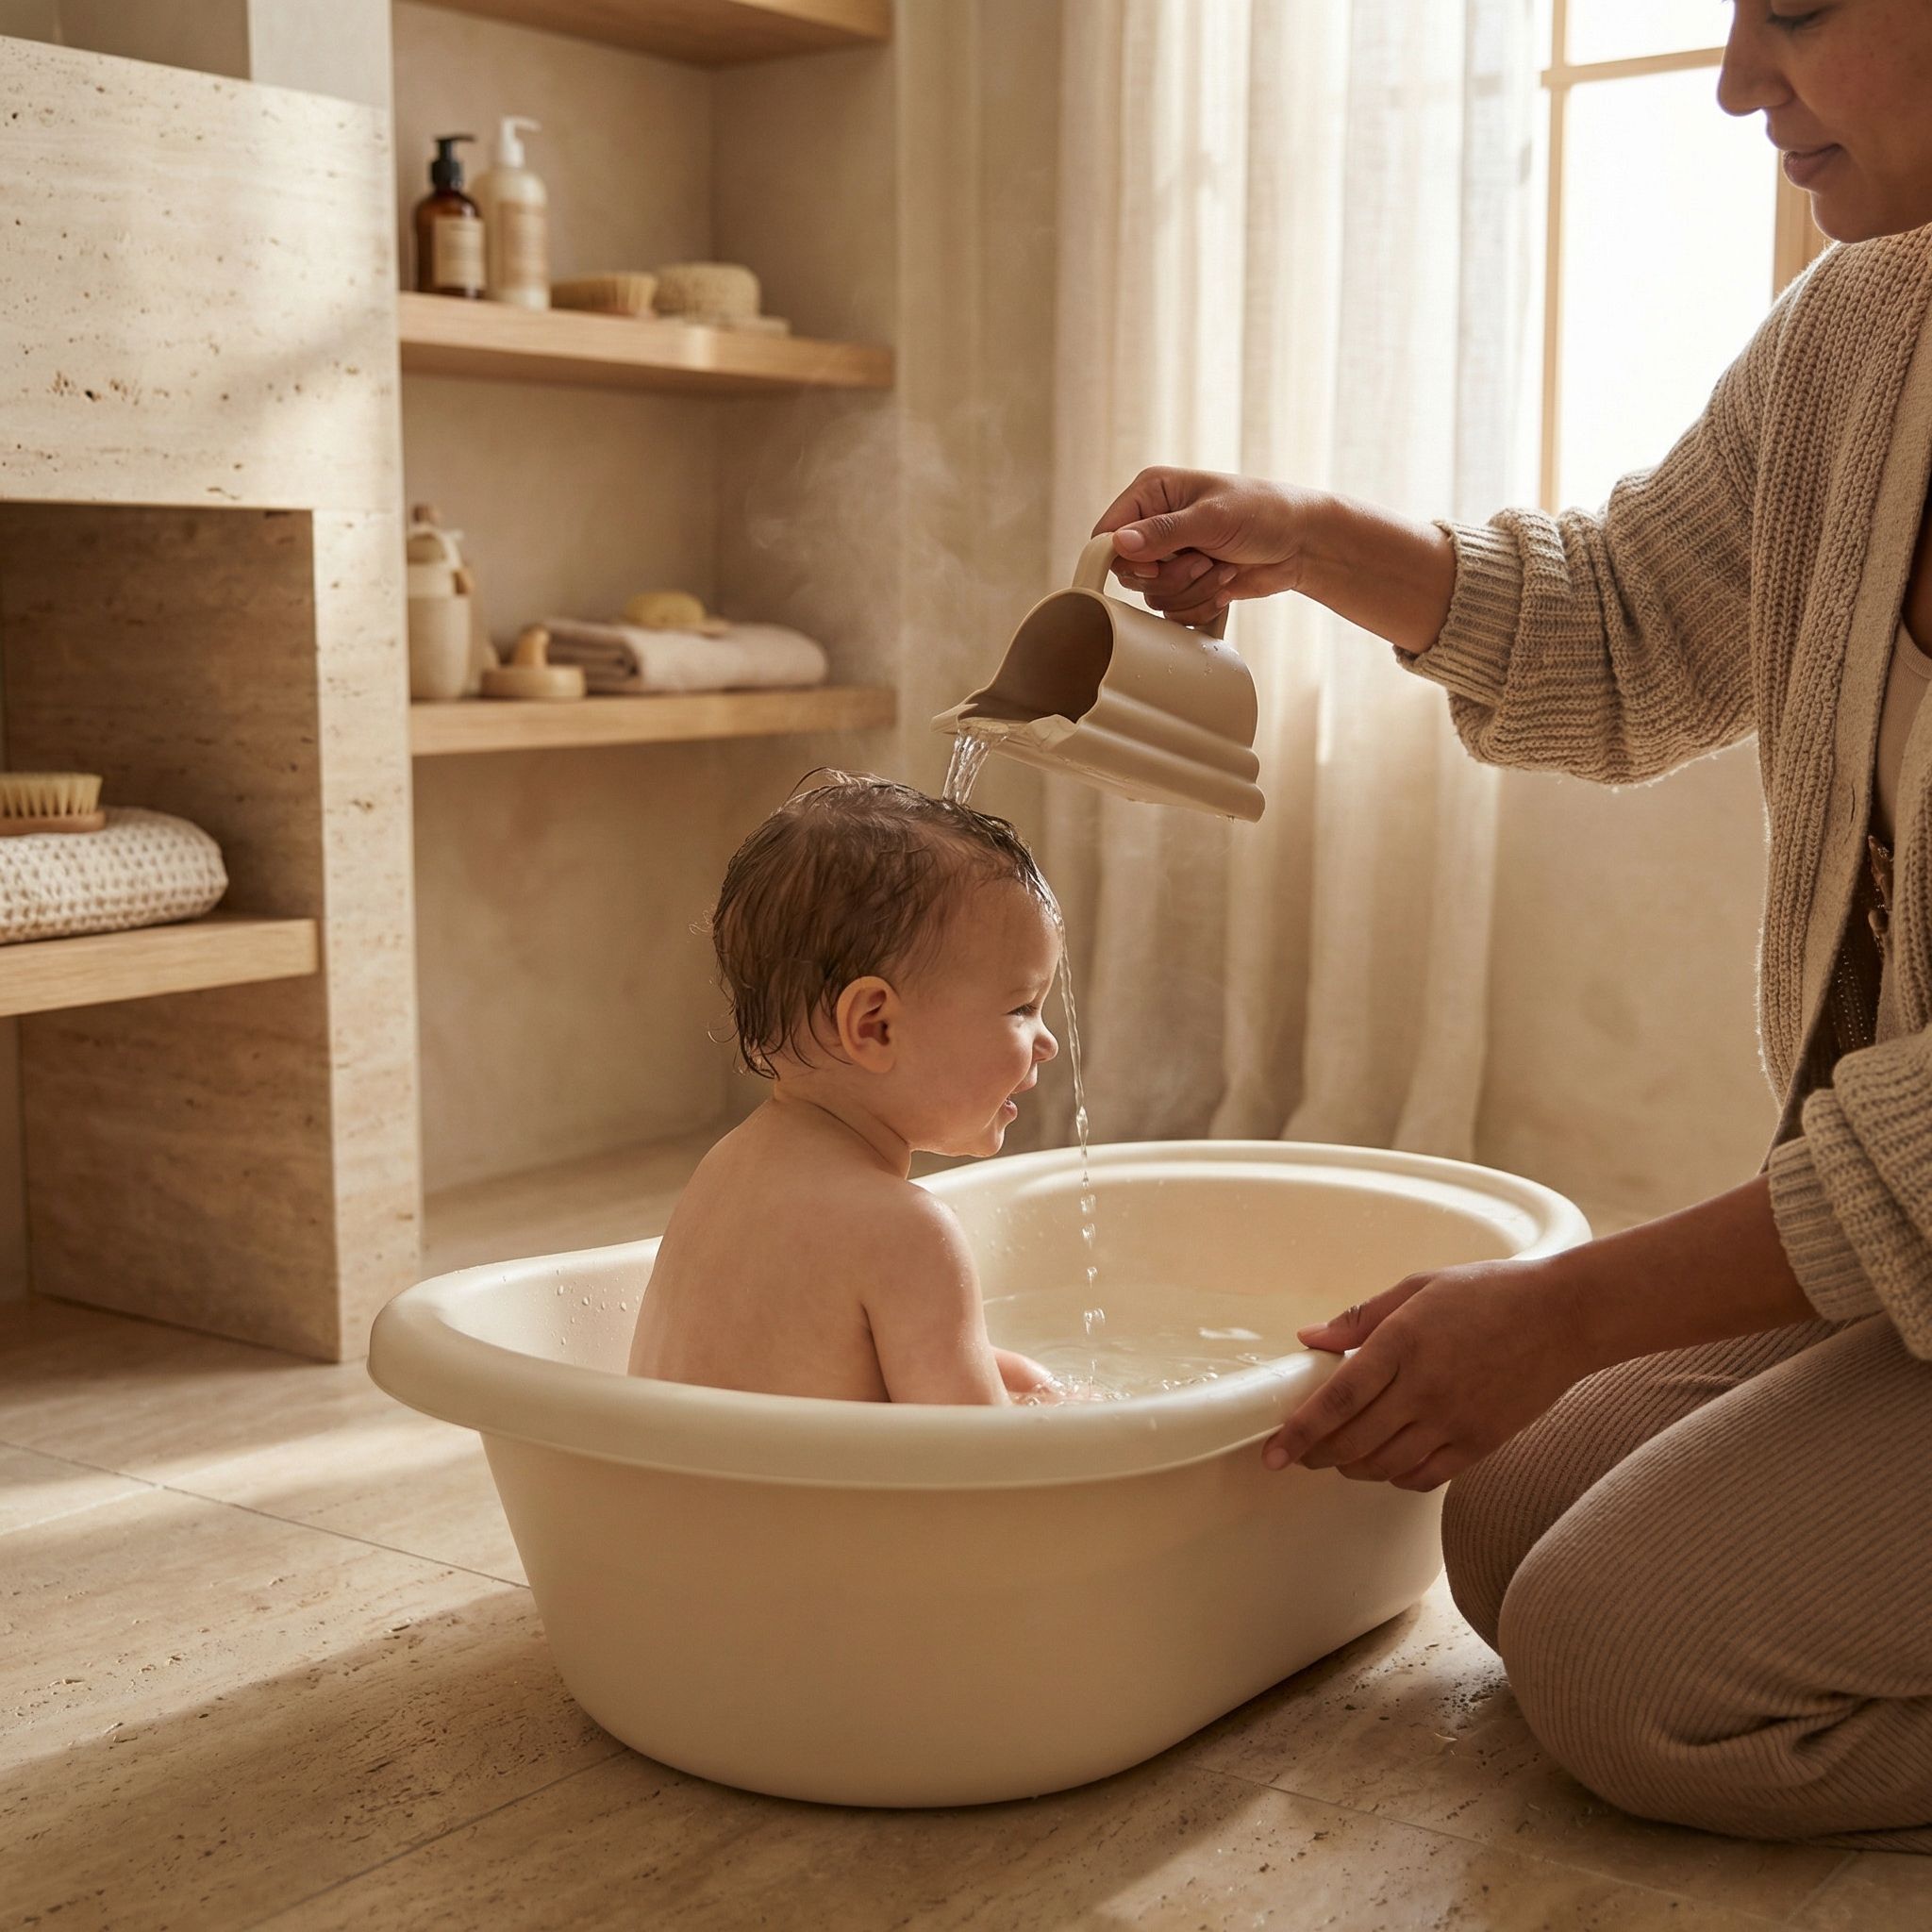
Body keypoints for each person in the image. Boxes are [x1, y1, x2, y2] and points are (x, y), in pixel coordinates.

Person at [1091, 0, 1932, 1850]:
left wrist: (1565, 1303)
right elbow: (1626, 626)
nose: (1731, 78)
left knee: (1631, 1661)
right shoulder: (1865, 329)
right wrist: (1306, 538)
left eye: (1795, 8)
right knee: (1499, 1510)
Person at [627, 774, 1064, 1406]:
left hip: (664, 1501)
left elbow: (811, 1353)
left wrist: (1004, 1374)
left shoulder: (726, 1172)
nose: (1045, 1042)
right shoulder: (910, 1233)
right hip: (797, 1511)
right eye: (1022, 1007)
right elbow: (983, 1468)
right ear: (874, 1026)